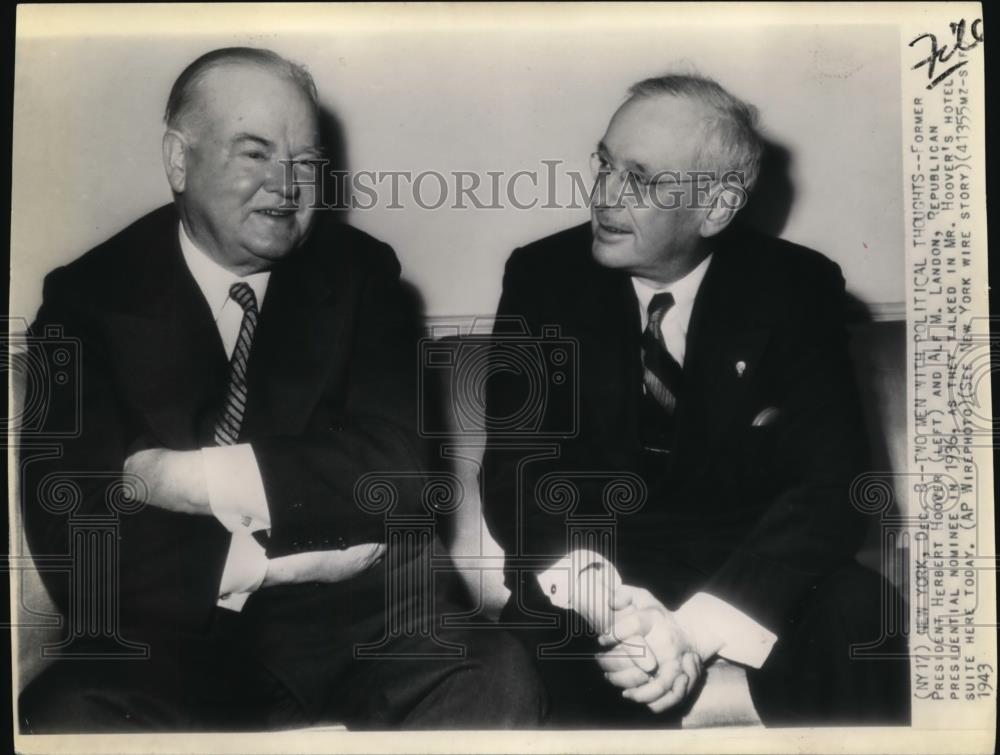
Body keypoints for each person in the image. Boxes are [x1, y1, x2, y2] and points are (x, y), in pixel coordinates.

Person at [18, 47, 541, 732]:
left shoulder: (363, 276)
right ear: (179, 159)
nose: (286, 185)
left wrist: (192, 479)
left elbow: (400, 472)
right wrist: (273, 567)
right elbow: (76, 539)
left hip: (368, 622)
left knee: (497, 676)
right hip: (172, 640)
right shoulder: (85, 298)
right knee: (68, 715)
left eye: (304, 161)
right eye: (255, 154)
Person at [481, 74, 910, 726]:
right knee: (529, 655)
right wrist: (613, 608)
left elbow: (831, 487)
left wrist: (698, 628)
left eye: (642, 179)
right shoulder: (542, 277)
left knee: (863, 613)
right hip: (601, 567)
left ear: (716, 207)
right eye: (604, 163)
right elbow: (517, 472)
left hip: (750, 565)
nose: (604, 194)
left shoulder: (797, 286)